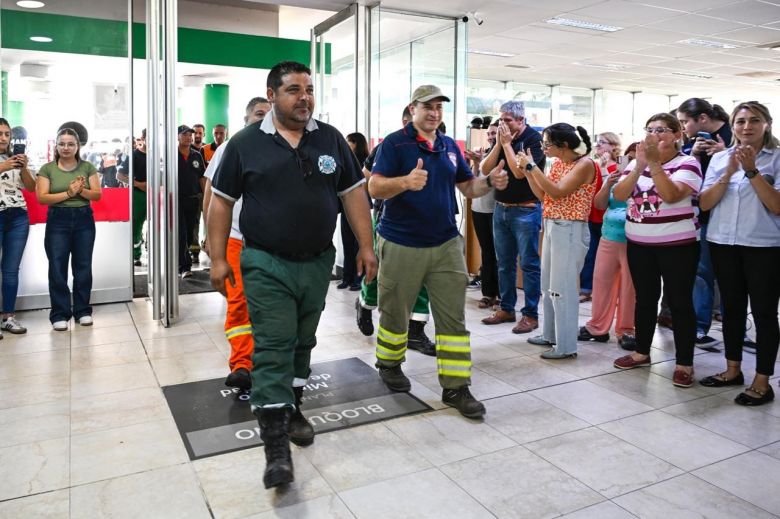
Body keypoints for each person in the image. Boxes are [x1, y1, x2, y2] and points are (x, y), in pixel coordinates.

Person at [209, 61, 376, 489]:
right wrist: (216, 257)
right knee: (274, 344)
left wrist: (367, 247)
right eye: (293, 90)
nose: (304, 97)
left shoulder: (331, 139)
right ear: (272, 95)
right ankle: (276, 446)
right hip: (265, 261)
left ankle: (293, 405)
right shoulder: (245, 143)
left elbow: (353, 194)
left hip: (318, 260)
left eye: (309, 89)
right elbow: (221, 202)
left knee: (304, 340)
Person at [368, 84, 508, 419]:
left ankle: (456, 387)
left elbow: (467, 187)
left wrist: (489, 182)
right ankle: (389, 363)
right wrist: (404, 182)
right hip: (402, 242)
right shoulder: (394, 143)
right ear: (412, 108)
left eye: (439, 108)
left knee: (453, 318)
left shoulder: (448, 146)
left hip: (445, 243)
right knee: (395, 312)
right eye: (428, 106)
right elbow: (374, 186)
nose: (434, 112)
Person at [698, 101, 780, 406]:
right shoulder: (720, 159)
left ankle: (763, 381)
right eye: (741, 121)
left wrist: (751, 171)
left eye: (754, 120)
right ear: (733, 126)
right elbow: (705, 204)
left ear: (767, 124)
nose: (747, 126)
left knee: (763, 313)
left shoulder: (777, 159)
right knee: (731, 309)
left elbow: (776, 206)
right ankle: (732, 370)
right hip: (723, 243)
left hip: (764, 247)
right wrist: (728, 172)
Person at [611, 113, 702, 388]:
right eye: (650, 129)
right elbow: (619, 195)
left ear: (677, 135)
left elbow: (672, 195)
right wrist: (639, 166)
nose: (654, 134)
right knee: (645, 299)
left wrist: (652, 163)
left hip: (678, 247)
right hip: (639, 244)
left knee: (680, 302)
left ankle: (684, 363)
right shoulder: (637, 164)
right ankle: (641, 352)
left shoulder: (688, 163)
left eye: (661, 129)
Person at [203, 97, 271, 392]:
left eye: (269, 113)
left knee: (269, 305)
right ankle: (242, 364)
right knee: (239, 301)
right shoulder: (230, 148)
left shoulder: (286, 146)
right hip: (235, 238)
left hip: (273, 241)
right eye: (258, 114)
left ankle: (269, 361)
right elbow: (212, 194)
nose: (265, 118)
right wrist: (209, 237)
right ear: (246, 119)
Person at [355, 107, 436, 356]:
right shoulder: (390, 145)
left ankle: (416, 331)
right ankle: (366, 303)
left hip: (427, 224)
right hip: (390, 221)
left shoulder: (439, 145)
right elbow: (367, 178)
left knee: (423, 279)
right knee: (379, 273)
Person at [517, 123, 597, 359]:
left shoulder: (585, 164)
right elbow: (543, 194)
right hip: (552, 223)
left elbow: (558, 192)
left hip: (571, 228)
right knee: (548, 285)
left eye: (547, 143)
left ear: (563, 145)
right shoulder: (558, 163)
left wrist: (533, 167)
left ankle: (566, 345)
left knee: (563, 288)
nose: (544, 148)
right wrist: (529, 172)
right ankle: (550, 335)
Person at [480, 100, 546, 334]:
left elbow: (519, 173)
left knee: (528, 264)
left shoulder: (533, 140)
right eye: (500, 120)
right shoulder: (501, 138)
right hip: (501, 208)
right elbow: (485, 168)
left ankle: (530, 315)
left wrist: (507, 145)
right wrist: (499, 144)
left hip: (526, 209)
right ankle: (507, 308)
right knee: (504, 263)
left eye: (507, 120)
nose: (502, 124)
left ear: (521, 120)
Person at [677, 99, 733, 348]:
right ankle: (699, 328)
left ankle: (737, 332)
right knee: (701, 274)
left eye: (684, 122)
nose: (683, 128)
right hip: (703, 216)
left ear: (702, 118)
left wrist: (725, 154)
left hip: (734, 218)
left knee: (733, 279)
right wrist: (694, 154)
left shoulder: (734, 137)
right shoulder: (692, 144)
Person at [35, 127, 102, 331]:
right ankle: (60, 313)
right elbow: (42, 197)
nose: (66, 147)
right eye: (62, 143)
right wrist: (69, 192)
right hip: (58, 220)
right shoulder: (47, 169)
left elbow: (97, 195)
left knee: (83, 267)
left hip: (84, 219)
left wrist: (81, 190)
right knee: (57, 267)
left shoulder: (87, 167)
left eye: (70, 144)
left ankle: (82, 311)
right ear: (56, 145)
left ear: (77, 146)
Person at [578, 150, 637, 350]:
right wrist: (608, 183)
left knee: (629, 287)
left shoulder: (645, 179)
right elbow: (600, 204)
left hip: (634, 241)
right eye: (628, 159)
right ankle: (597, 327)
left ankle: (626, 329)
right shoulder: (616, 178)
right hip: (609, 237)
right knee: (601, 282)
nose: (628, 164)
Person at [0, 118, 35, 335]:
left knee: (11, 270)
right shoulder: (5, 162)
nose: (3, 138)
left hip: (18, 217)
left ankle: (8, 317)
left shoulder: (14, 158)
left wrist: (24, 168)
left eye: (6, 133)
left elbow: (31, 187)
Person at [579, 133, 617, 303]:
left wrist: (604, 165)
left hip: (608, 218)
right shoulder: (592, 164)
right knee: (590, 254)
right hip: (592, 215)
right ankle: (586, 288)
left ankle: (604, 291)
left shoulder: (617, 167)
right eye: (597, 142)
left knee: (606, 259)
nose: (598, 145)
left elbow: (611, 187)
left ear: (613, 146)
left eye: (602, 142)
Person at [465, 122, 499, 309]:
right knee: (486, 252)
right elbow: (473, 179)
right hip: (478, 209)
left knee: (499, 254)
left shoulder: (499, 156)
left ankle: (500, 294)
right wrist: (476, 162)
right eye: (489, 133)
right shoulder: (483, 154)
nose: (491, 136)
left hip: (495, 209)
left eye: (494, 133)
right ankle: (488, 293)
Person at [338, 132, 369, 291]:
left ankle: (358, 279)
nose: (347, 144)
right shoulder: (344, 160)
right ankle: (347, 277)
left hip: (361, 210)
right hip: (345, 209)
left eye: (349, 141)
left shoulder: (365, 163)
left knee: (359, 245)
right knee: (347, 243)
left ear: (357, 143)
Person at [177, 125, 205, 278]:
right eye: (185, 134)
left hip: (193, 200)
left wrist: (206, 196)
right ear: (177, 137)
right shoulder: (170, 155)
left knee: (190, 233)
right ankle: (184, 267)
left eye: (190, 135)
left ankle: (181, 259)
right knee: (181, 232)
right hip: (177, 200)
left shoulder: (196, 155)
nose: (189, 137)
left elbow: (201, 177)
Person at [124, 129, 147, 266]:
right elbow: (120, 175)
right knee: (137, 225)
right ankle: (136, 255)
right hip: (138, 194)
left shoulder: (160, 156)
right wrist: (139, 184)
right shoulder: (134, 155)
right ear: (143, 138)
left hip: (157, 194)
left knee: (158, 225)